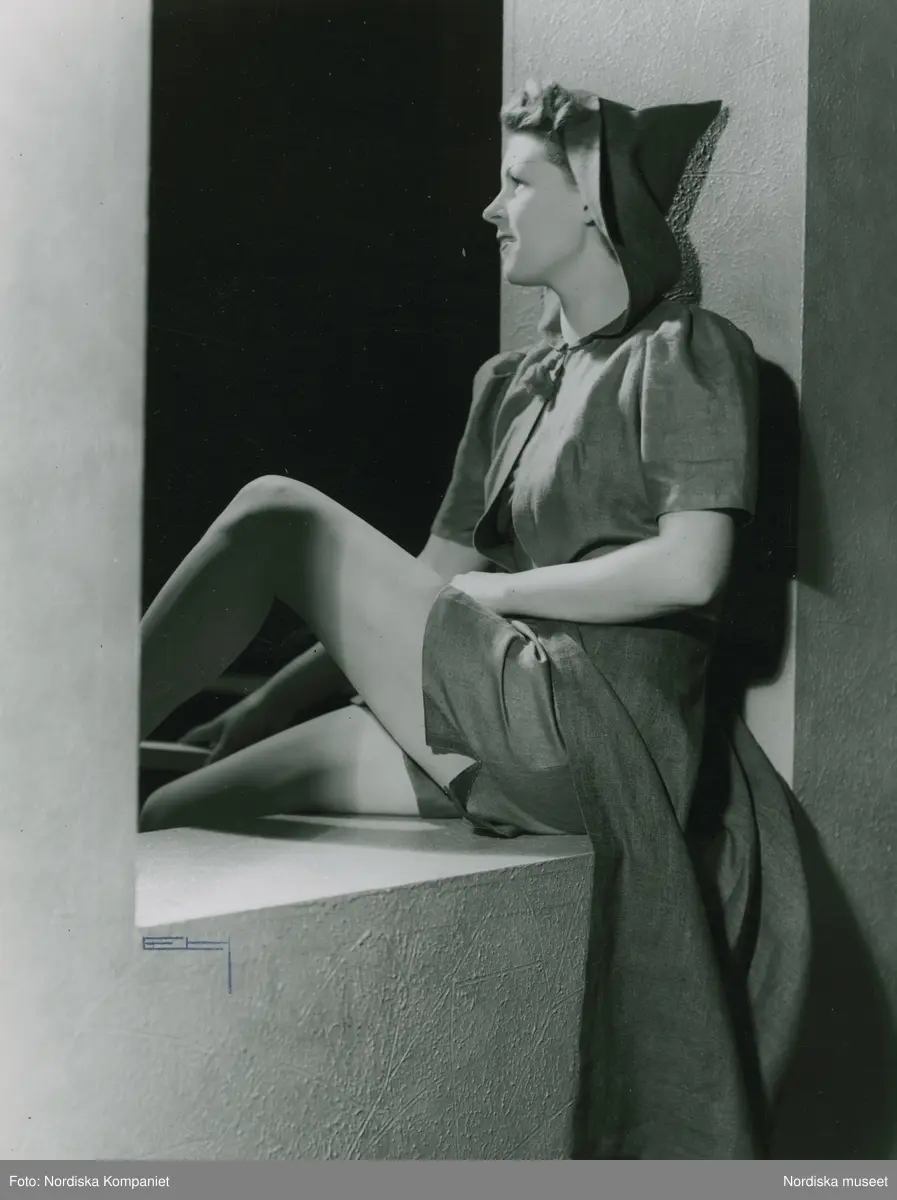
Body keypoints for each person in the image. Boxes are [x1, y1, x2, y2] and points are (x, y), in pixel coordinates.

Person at [139, 81, 810, 1159]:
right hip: (503, 715)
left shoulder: (686, 353)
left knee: (274, 509)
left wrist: (504, 593)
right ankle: (125, 772)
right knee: (181, 804)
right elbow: (425, 583)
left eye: (515, 183)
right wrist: (252, 714)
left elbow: (693, 569)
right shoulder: (511, 383)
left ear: (590, 200)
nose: (491, 210)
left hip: (593, 730)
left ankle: (41, 763)